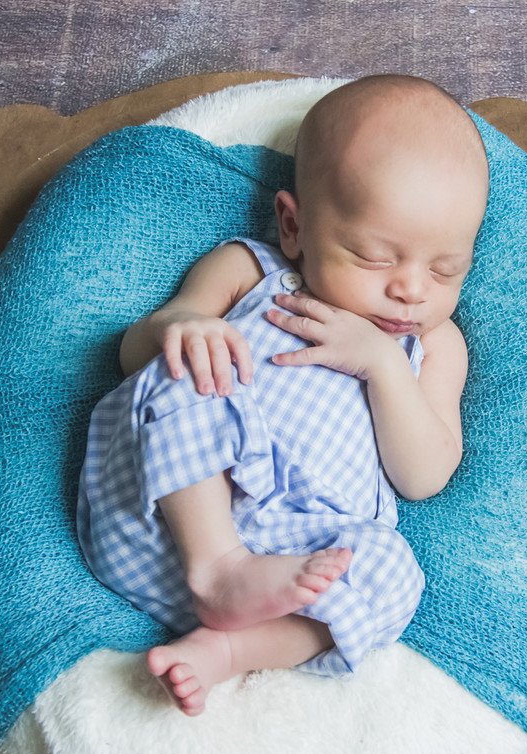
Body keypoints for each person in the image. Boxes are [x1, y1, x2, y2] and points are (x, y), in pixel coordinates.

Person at [76, 74, 490, 715]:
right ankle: (218, 570)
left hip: (298, 560)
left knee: (394, 571)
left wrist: (381, 364)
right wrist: (183, 327)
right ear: (293, 226)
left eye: (445, 269)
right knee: (191, 365)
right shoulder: (253, 271)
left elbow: (423, 476)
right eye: (375, 256)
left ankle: (226, 653)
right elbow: (135, 353)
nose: (412, 290)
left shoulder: (433, 347)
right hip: (166, 518)